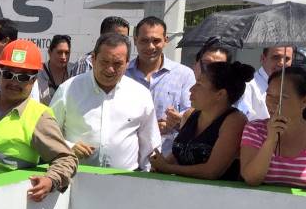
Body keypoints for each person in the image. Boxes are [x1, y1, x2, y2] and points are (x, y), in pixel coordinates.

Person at [0, 40, 77, 201]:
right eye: (8, 74)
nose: (14, 82)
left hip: (1, 200)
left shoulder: (40, 116)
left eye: (23, 76)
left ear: (34, 80)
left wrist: (51, 180)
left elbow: (66, 158)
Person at [50, 32, 160, 171]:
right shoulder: (68, 89)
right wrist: (69, 147)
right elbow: (48, 134)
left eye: (117, 64)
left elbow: (150, 144)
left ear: (127, 63)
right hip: (75, 179)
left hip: (126, 181)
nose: (110, 69)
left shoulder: (140, 94)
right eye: (104, 62)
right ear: (93, 59)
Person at [150, 60, 250, 181]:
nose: (191, 89)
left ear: (220, 94)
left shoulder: (235, 121)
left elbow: (212, 171)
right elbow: (177, 157)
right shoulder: (189, 114)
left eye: (199, 84)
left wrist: (168, 169)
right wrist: (160, 164)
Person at [126, 15, 195, 150]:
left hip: (168, 156)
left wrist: (176, 120)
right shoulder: (123, 74)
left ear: (165, 41)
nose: (150, 46)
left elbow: (193, 115)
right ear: (135, 41)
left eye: (156, 41)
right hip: (129, 154)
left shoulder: (184, 75)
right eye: (144, 40)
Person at [246, 45, 293, 121]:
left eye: (287, 59)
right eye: (276, 57)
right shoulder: (249, 85)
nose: (281, 63)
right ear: (263, 59)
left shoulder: (292, 87)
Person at [38, 35, 71, 104]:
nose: (63, 57)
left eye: (67, 53)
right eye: (59, 52)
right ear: (50, 52)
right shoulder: (38, 72)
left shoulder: (74, 71)